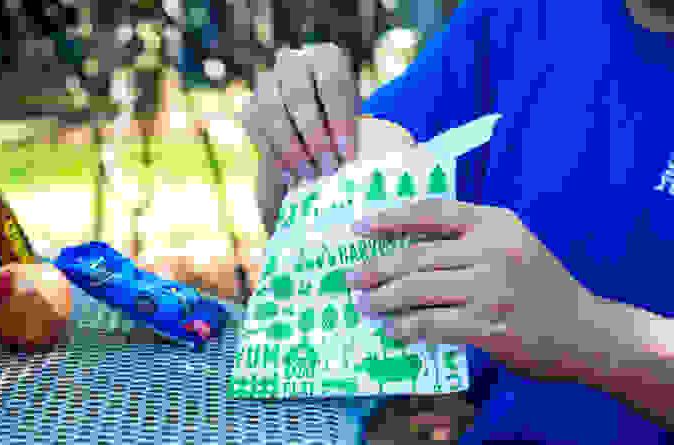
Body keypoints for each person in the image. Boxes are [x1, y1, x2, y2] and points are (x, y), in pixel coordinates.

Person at [242, 0, 673, 443]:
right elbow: (346, 199)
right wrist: (299, 136)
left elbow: (581, 330)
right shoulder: (524, 13)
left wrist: (591, 332)